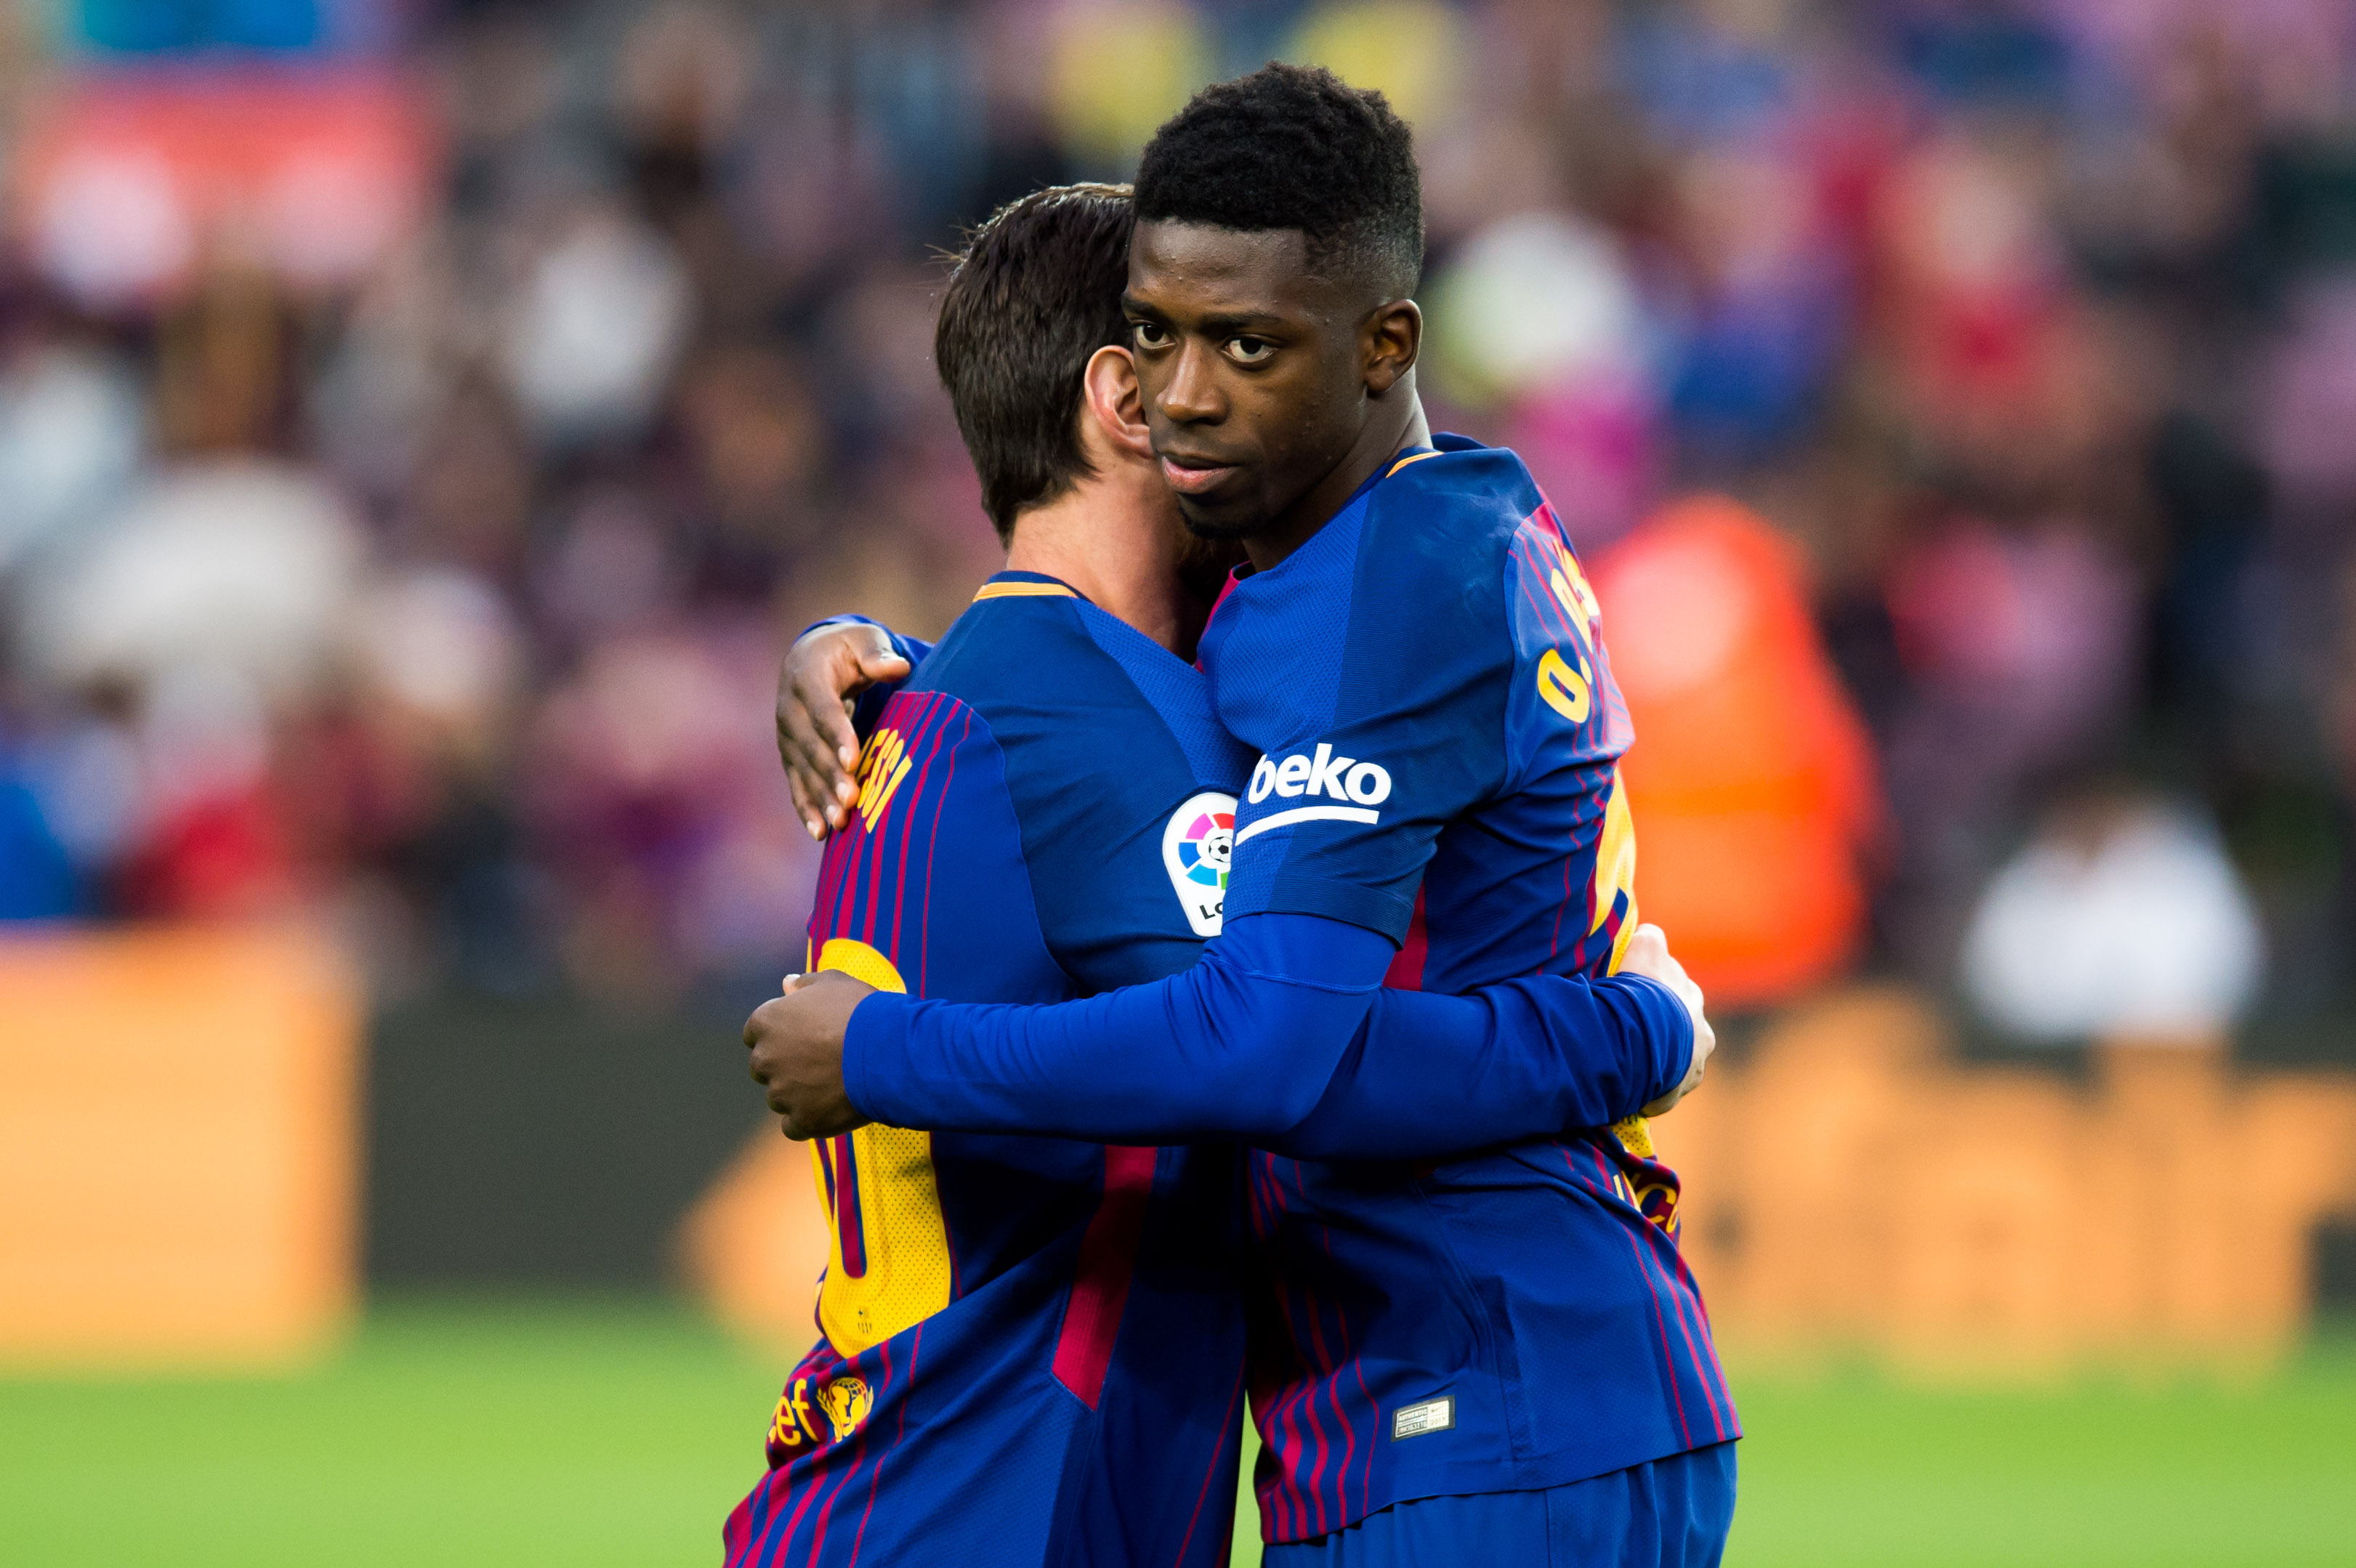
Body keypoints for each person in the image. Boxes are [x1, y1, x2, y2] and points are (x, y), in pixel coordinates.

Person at [749, 65, 1738, 1564]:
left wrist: (881, 1049)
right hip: (1205, 1456)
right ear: (1118, 391)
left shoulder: (1331, 606)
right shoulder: (1365, 567)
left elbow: (1266, 1046)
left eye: (1241, 342)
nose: (1196, 385)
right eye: (1159, 336)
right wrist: (1632, 1029)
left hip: (1469, 1403)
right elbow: (1266, 1037)